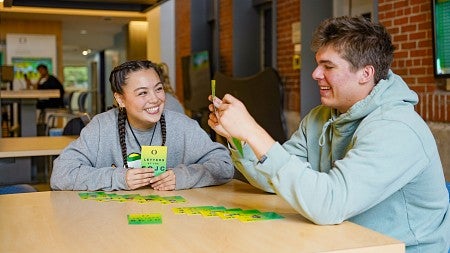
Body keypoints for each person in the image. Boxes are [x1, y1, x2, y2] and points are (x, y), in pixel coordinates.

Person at [208, 16, 449, 252]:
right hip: (340, 240)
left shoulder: (397, 129)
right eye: (318, 64)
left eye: (328, 66)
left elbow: (329, 204)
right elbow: (273, 180)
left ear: (366, 74)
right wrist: (239, 137)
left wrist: (253, 130)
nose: (315, 74)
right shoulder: (320, 117)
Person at [50, 60, 234, 191]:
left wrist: (183, 177)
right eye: (142, 93)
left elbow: (224, 165)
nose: (155, 99)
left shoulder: (183, 126)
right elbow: (61, 174)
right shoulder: (101, 127)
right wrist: (119, 178)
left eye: (158, 89)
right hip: (113, 226)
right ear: (120, 99)